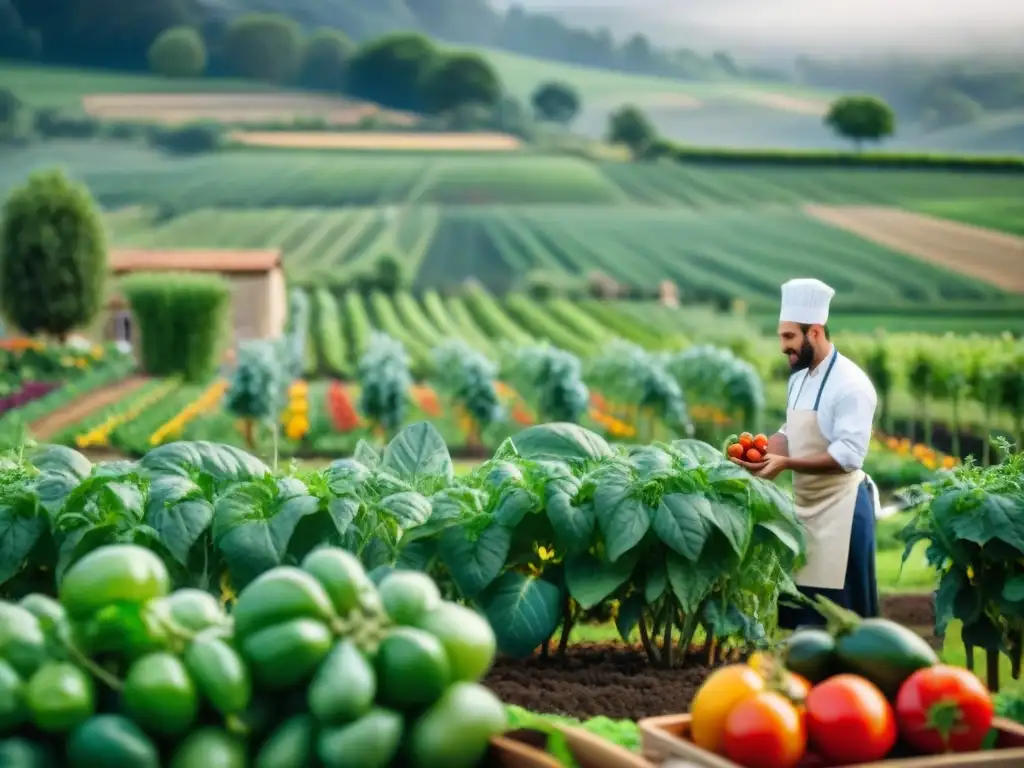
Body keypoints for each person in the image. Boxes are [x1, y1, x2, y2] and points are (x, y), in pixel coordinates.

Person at [731, 278, 881, 629]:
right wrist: (759, 453)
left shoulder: (852, 385)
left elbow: (848, 456)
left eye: (789, 337)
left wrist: (785, 464)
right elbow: (791, 432)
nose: (783, 347)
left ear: (814, 332)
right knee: (805, 623)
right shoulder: (800, 378)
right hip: (806, 514)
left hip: (843, 515)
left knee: (845, 625)